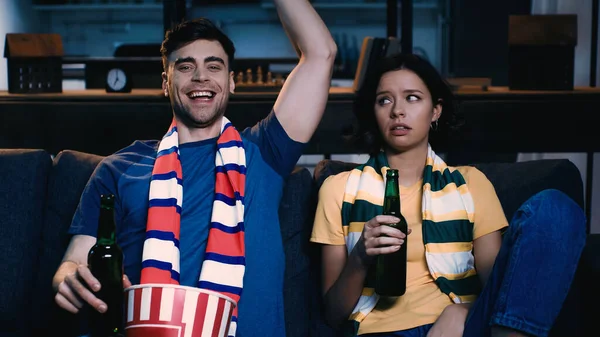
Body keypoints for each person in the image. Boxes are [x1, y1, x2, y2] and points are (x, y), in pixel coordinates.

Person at [51, 1, 337, 336]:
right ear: (165, 82)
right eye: (185, 67)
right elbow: (76, 259)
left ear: (231, 82)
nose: (201, 76)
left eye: (213, 66)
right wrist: (67, 277)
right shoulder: (120, 168)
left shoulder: (263, 152)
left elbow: (321, 53)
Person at [310, 53, 586, 337]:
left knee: (556, 207)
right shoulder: (339, 189)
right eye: (385, 100)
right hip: (380, 331)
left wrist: (463, 311)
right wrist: (359, 258)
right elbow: (332, 315)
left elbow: (501, 289)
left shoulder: (470, 184)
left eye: (413, 97)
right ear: (375, 112)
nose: (397, 111)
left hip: (464, 327)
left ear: (436, 110)